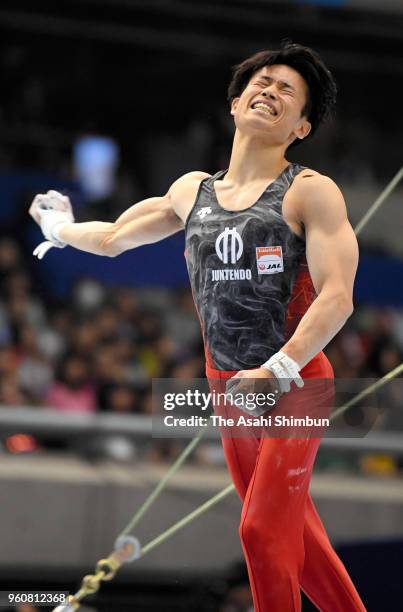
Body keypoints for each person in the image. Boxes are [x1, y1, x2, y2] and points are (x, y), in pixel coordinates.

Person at [29, 41, 366, 612]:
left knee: (260, 533)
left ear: (302, 127)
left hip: (295, 380)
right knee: (296, 540)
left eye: (287, 90)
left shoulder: (311, 190)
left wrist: (278, 369)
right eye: (261, 82)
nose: (269, 91)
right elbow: (113, 238)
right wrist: (61, 230)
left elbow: (338, 298)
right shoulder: (192, 192)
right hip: (227, 385)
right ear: (235, 105)